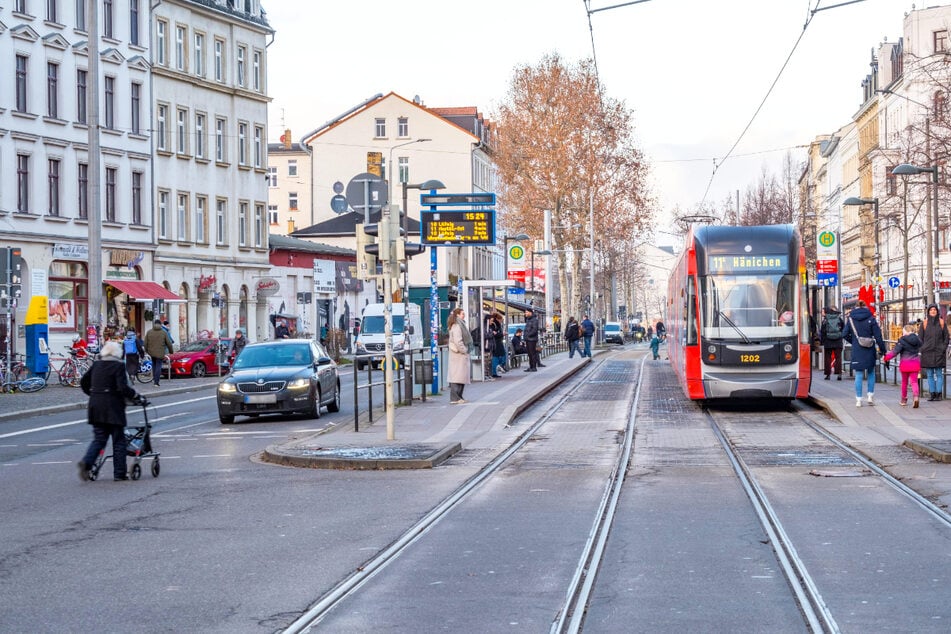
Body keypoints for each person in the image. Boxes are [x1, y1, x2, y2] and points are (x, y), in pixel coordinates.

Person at [77, 341, 145, 481]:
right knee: (118, 441)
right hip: (113, 408)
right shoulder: (118, 366)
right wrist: (135, 396)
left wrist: (93, 394)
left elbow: (84, 382)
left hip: (96, 406)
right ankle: (119, 473)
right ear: (117, 353)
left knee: (99, 439)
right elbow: (122, 387)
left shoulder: (96, 364)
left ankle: (87, 462)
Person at [842, 300, 887, 407]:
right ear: (865, 307)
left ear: (856, 307)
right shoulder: (871, 318)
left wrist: (854, 341)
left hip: (857, 348)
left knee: (859, 374)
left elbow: (844, 334)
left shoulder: (851, 319)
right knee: (871, 372)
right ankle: (870, 396)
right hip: (869, 348)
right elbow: (878, 336)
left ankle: (858, 400)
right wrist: (883, 349)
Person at [883, 323, 923, 408]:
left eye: (903, 331)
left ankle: (903, 400)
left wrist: (886, 358)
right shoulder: (918, 340)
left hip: (905, 364)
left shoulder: (902, 340)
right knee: (914, 382)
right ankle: (916, 397)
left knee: (904, 382)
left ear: (905, 331)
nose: (902, 333)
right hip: (915, 363)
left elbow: (894, 352)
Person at [918, 303, 948, 401]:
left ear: (937, 311)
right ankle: (932, 393)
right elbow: (920, 338)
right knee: (930, 375)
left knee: (939, 374)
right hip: (927, 352)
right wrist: (923, 348)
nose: (933, 311)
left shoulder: (942, 323)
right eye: (931, 310)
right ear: (928, 311)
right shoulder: (924, 323)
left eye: (934, 309)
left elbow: (946, 337)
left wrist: (943, 348)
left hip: (939, 352)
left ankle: (939, 394)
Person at [447, 307, 472, 404]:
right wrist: (464, 350)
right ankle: (455, 398)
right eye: (462, 313)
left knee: (460, 376)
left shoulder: (460, 324)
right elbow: (458, 341)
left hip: (459, 355)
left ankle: (459, 397)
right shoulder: (457, 326)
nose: (464, 315)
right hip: (458, 355)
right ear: (457, 315)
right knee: (457, 376)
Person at [144, 319, 174, 386]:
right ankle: (156, 382)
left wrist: (146, 351)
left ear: (154, 324)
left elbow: (145, 343)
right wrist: (171, 351)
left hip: (151, 352)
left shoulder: (149, 332)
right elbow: (169, 343)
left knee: (154, 365)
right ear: (160, 324)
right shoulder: (164, 332)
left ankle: (155, 379)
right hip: (160, 352)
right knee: (158, 366)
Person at [819, 305, 844, 380]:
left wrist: (822, 341)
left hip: (828, 341)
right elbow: (843, 328)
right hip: (838, 340)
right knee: (838, 357)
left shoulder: (826, 319)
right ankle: (839, 374)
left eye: (823, 311)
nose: (822, 313)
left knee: (827, 358)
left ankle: (828, 374)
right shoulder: (839, 318)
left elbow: (822, 331)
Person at [489, 313, 507, 378]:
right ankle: (498, 367)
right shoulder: (494, 325)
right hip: (496, 342)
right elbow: (495, 334)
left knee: (497, 356)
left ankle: (495, 370)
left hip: (497, 342)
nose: (501, 321)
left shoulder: (496, 324)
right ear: (497, 319)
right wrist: (502, 334)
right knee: (500, 355)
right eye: (501, 320)